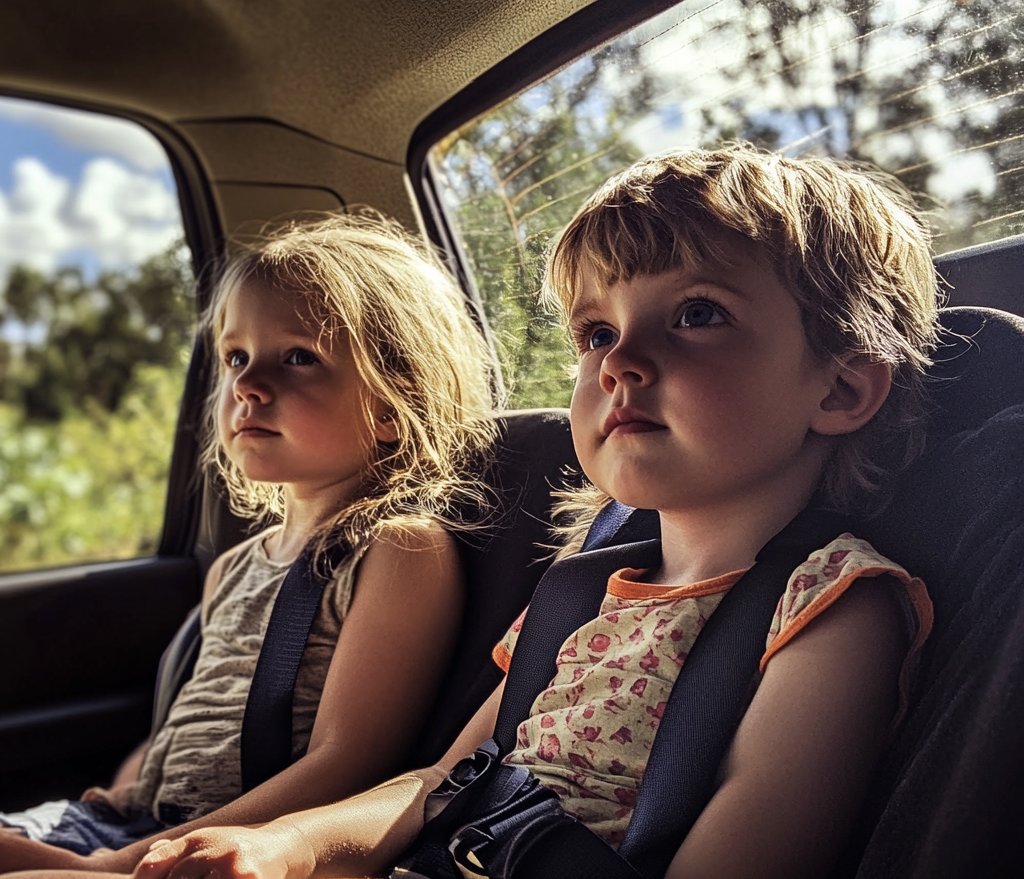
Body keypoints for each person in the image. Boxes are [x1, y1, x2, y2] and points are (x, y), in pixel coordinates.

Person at [15, 142, 939, 879]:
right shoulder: (584, 593)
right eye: (596, 332)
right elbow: (447, 782)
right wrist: (282, 847)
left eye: (697, 314)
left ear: (845, 386)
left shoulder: (830, 612)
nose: (619, 361)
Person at [0, 211, 497, 875]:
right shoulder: (233, 567)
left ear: (389, 405)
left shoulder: (399, 551)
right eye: (236, 357)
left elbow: (347, 765)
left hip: (220, 849)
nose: (247, 385)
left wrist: (116, 863)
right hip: (121, 824)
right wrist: (117, 801)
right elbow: (180, 727)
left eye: (298, 358)